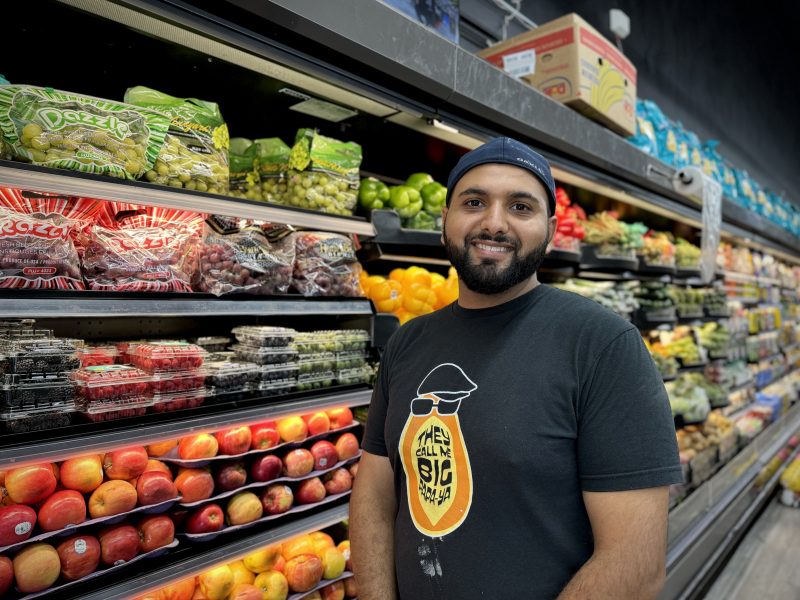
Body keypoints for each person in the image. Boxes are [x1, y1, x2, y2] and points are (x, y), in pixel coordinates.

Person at [350, 136, 683, 599]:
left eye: (521, 207)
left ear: (548, 230)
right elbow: (374, 497)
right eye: (474, 202)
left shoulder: (603, 345)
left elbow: (635, 565)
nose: (494, 222)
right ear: (445, 221)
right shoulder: (409, 342)